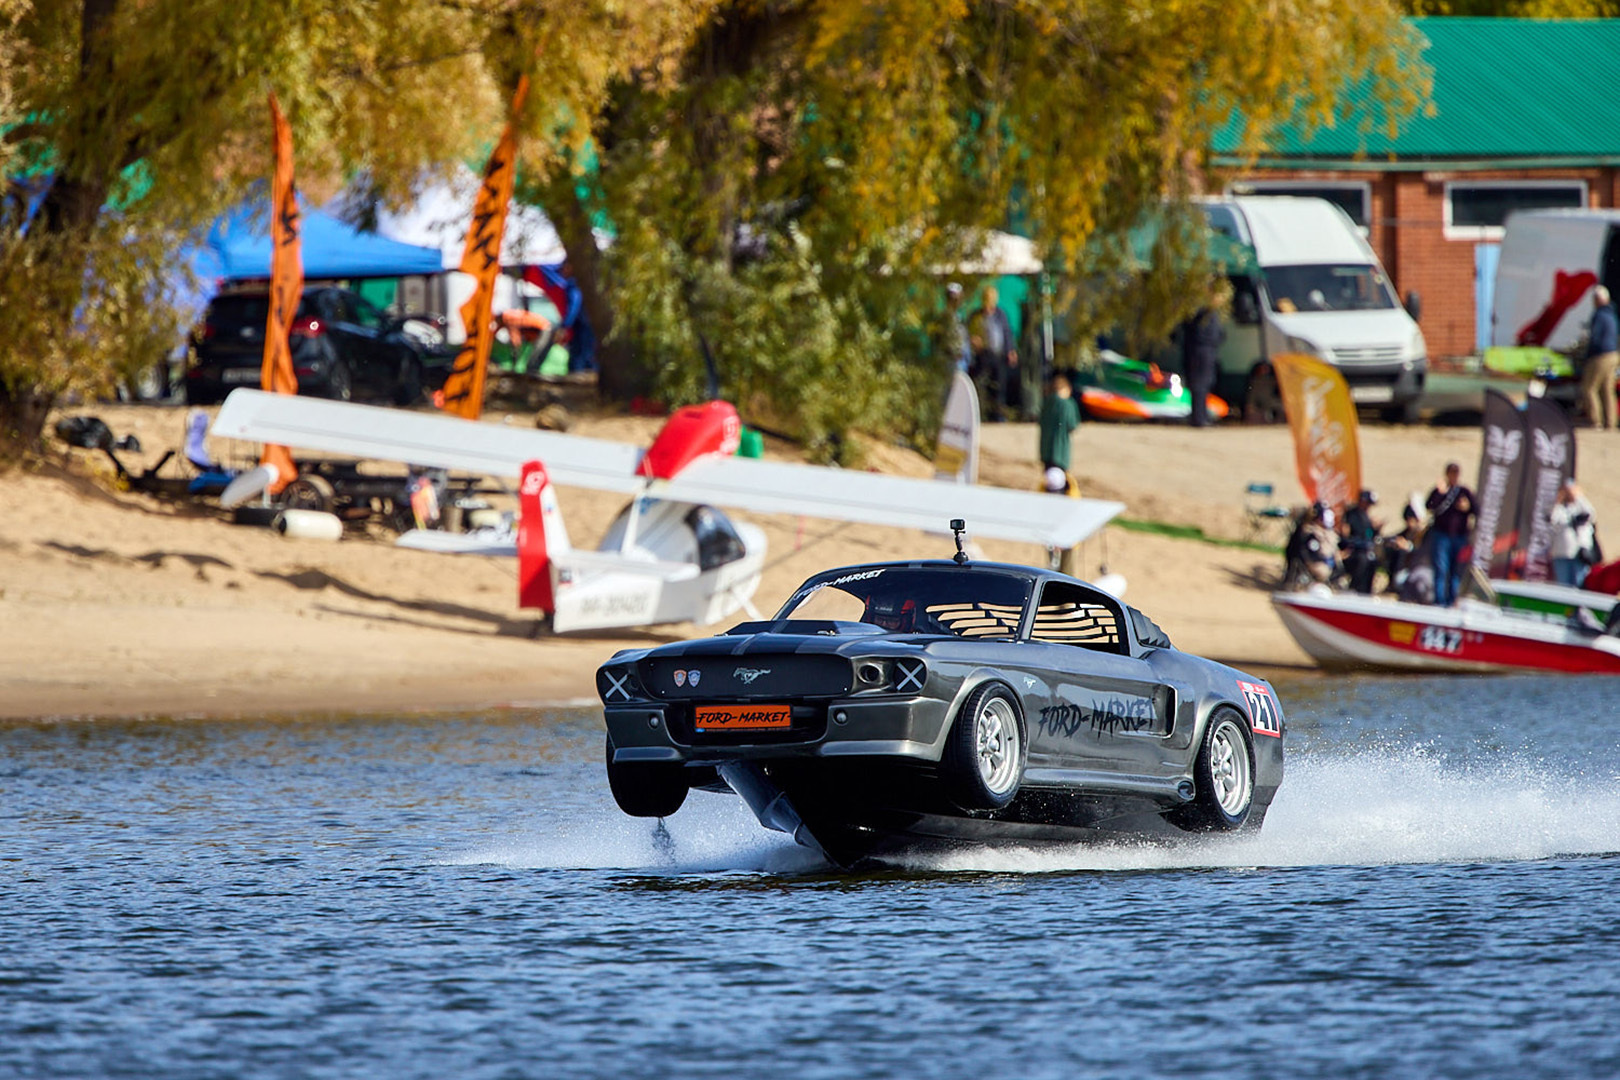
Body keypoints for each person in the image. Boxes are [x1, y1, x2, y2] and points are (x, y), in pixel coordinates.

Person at [1425, 461, 1475, 607]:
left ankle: (1452, 599)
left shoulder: (1463, 492)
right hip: (1441, 536)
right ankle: (1439, 600)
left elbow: (1476, 510)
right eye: (1451, 473)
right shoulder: (1441, 491)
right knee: (1441, 568)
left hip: (1459, 537)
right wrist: (1440, 493)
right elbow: (1429, 506)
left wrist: (1467, 507)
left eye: (1456, 473)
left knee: (1456, 570)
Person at [1181, 279, 1229, 428]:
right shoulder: (1199, 309)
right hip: (1200, 349)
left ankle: (1201, 415)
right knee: (1199, 383)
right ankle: (1198, 418)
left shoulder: (1209, 311)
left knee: (1206, 382)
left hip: (1208, 349)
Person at [969, 286, 1019, 420]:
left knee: (999, 386)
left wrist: (1011, 350)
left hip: (999, 356)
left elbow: (1007, 333)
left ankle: (998, 416)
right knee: (982, 385)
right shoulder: (976, 316)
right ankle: (980, 415)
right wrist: (973, 340)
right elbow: (968, 333)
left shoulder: (1001, 315)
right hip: (982, 356)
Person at [1580, 285, 1618, 429]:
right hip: (1613, 355)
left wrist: (1587, 356)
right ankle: (1611, 423)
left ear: (1598, 299)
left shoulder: (1599, 315)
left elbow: (1595, 338)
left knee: (1589, 388)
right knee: (1608, 390)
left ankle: (1595, 421)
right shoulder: (1612, 314)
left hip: (1600, 356)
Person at [1549, 480, 1599, 588]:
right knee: (1563, 586)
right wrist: (1558, 499)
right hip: (1562, 554)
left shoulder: (1581, 507)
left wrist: (1578, 496)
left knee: (1580, 584)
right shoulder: (1561, 509)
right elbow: (1553, 520)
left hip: (1580, 554)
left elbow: (1591, 514)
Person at [1038, 372, 1081, 482]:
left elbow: (1040, 421)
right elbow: (1072, 425)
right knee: (1059, 483)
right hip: (1061, 452)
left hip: (1046, 451)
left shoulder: (1046, 403)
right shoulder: (1068, 404)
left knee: (1048, 481)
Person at [1341, 489, 1381, 594]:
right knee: (1362, 560)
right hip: (1353, 551)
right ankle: (1354, 588)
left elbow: (1369, 535)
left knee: (1373, 561)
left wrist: (1376, 529)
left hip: (1365, 549)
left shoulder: (1366, 517)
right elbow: (1346, 537)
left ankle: (1366, 590)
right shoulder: (1351, 515)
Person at [1382, 504, 1425, 594]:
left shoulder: (1423, 535)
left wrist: (1409, 547)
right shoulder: (1407, 533)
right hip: (1402, 570)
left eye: (1412, 520)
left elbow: (1423, 552)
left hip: (1418, 570)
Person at [943, 283, 971, 374]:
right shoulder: (945, 319)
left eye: (958, 299)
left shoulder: (961, 317)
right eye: (953, 299)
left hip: (962, 364)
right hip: (949, 363)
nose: (956, 302)